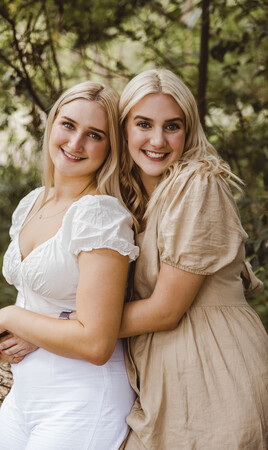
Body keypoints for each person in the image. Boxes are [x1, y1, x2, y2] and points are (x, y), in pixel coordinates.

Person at [0, 80, 139, 450]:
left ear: (111, 146)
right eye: (68, 125)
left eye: (94, 134)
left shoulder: (99, 215)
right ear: (52, 124)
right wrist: (27, 328)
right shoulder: (34, 201)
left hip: (81, 400)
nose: (75, 143)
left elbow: (96, 342)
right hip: (24, 396)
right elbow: (43, 297)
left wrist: (11, 318)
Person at [115, 69, 268, 449]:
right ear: (123, 130)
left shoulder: (198, 183)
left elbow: (166, 310)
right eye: (143, 124)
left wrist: (55, 330)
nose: (157, 140)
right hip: (164, 378)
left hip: (216, 371)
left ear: (189, 130)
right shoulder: (131, 200)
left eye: (172, 126)